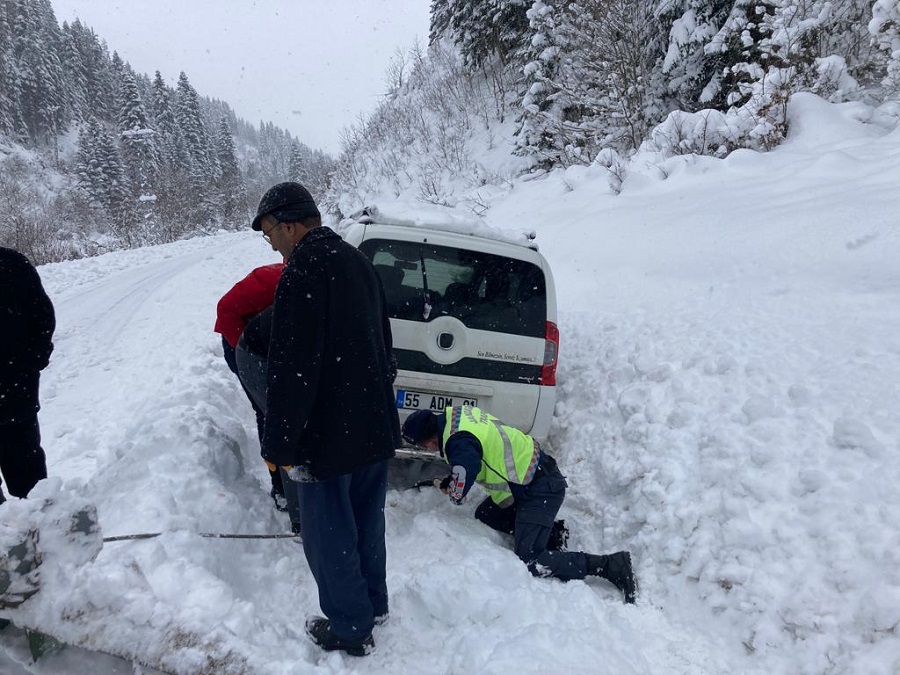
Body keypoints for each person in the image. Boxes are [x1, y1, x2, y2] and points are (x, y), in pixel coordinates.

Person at [251, 182, 400, 657]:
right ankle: (373, 603)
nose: (271, 242)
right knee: (365, 521)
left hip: (328, 437)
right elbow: (385, 348)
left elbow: (292, 371)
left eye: (271, 232)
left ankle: (352, 628)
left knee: (328, 533)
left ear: (291, 224)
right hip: (372, 426)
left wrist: (278, 445)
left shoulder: (302, 271)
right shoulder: (359, 263)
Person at [401, 405, 636, 603]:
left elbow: (460, 485)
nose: (426, 450)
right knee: (486, 513)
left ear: (429, 441)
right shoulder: (456, 417)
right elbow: (472, 455)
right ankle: (552, 534)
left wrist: (452, 488)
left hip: (541, 487)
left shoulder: (458, 442)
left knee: (531, 560)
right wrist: (454, 478)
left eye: (422, 446)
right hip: (529, 477)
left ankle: (609, 565)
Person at [213, 262, 294, 519]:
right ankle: (280, 486)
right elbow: (225, 310)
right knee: (269, 413)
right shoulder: (270, 279)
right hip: (243, 346)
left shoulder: (317, 286)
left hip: (274, 347)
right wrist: (246, 354)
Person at [0, 247, 55, 506]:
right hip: (16, 390)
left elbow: (42, 315)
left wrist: (33, 360)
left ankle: (41, 535)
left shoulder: (11, 263)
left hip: (15, 395)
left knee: (30, 484)